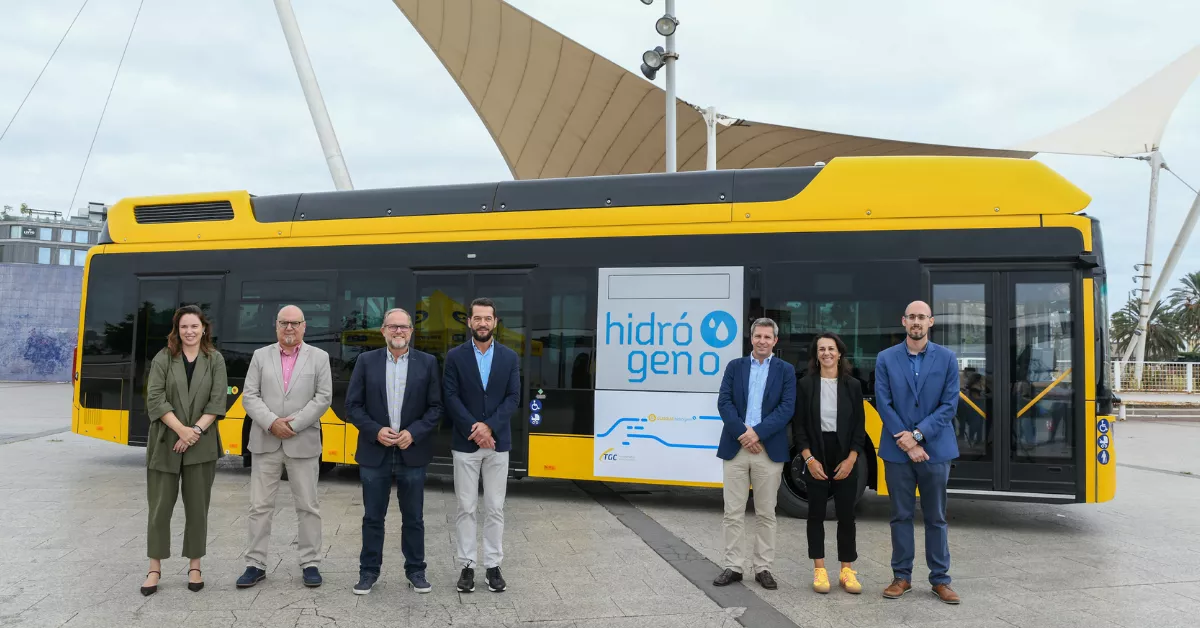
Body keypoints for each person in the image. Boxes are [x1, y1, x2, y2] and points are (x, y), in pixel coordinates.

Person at [344, 308, 443, 595]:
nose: (398, 332)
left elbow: (436, 407)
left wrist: (414, 432)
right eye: (393, 327)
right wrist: (375, 430)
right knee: (373, 517)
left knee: (414, 517)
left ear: (412, 331)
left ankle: (416, 571)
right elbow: (353, 406)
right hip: (376, 452)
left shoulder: (427, 363)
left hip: (412, 451)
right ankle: (368, 572)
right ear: (383, 331)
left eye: (404, 327)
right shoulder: (365, 361)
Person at [236, 305, 333, 589]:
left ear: (304, 326)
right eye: (283, 323)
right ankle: (255, 564)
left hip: (302, 441)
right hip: (266, 441)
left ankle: (310, 562)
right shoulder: (259, 356)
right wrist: (272, 422)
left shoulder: (319, 357)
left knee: (308, 506)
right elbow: (249, 396)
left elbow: (323, 397)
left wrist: (294, 424)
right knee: (259, 507)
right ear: (276, 326)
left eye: (295, 323)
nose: (289, 328)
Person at [874, 300, 961, 604]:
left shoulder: (948, 359)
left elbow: (949, 405)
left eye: (921, 317)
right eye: (911, 316)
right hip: (897, 452)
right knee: (900, 515)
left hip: (935, 450)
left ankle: (940, 579)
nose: (916, 321)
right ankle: (902, 577)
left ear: (931, 322)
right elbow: (883, 403)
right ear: (903, 321)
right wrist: (907, 442)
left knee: (936, 516)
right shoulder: (885, 358)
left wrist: (918, 436)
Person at [140, 305, 228, 596]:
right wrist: (182, 431)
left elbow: (216, 403)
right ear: (177, 331)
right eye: (184, 327)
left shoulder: (214, 360)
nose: (189, 332)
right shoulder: (164, 358)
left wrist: (195, 433)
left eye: (194, 326)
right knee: (159, 508)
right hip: (166, 442)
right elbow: (155, 398)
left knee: (197, 509)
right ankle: (154, 568)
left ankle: (195, 566)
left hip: (201, 446)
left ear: (204, 328)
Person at [713, 318, 796, 591]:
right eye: (758, 336)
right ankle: (732, 566)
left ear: (775, 341)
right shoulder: (735, 367)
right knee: (732, 511)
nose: (762, 341)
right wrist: (743, 434)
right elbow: (724, 402)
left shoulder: (786, 371)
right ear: (751, 338)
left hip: (767, 449)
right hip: (736, 447)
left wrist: (757, 433)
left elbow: (786, 408)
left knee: (766, 512)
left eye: (767, 337)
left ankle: (763, 568)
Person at [444, 297, 520, 594]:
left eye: (488, 318)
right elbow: (450, 396)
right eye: (478, 318)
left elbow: (513, 397)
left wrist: (490, 427)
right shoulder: (455, 356)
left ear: (495, 322)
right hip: (465, 444)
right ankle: (466, 566)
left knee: (495, 507)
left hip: (498, 444)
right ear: (469, 322)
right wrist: (475, 430)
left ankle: (492, 566)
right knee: (465, 507)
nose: (483, 323)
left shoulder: (509, 357)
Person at [793, 332, 866, 594]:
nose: (826, 353)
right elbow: (799, 427)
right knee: (816, 514)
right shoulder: (805, 385)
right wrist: (808, 458)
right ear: (816, 355)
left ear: (840, 353)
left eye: (831, 349)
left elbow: (860, 428)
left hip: (844, 454)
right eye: (821, 349)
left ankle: (847, 570)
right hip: (816, 453)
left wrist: (852, 459)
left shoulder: (853, 386)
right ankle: (820, 569)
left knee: (846, 515)